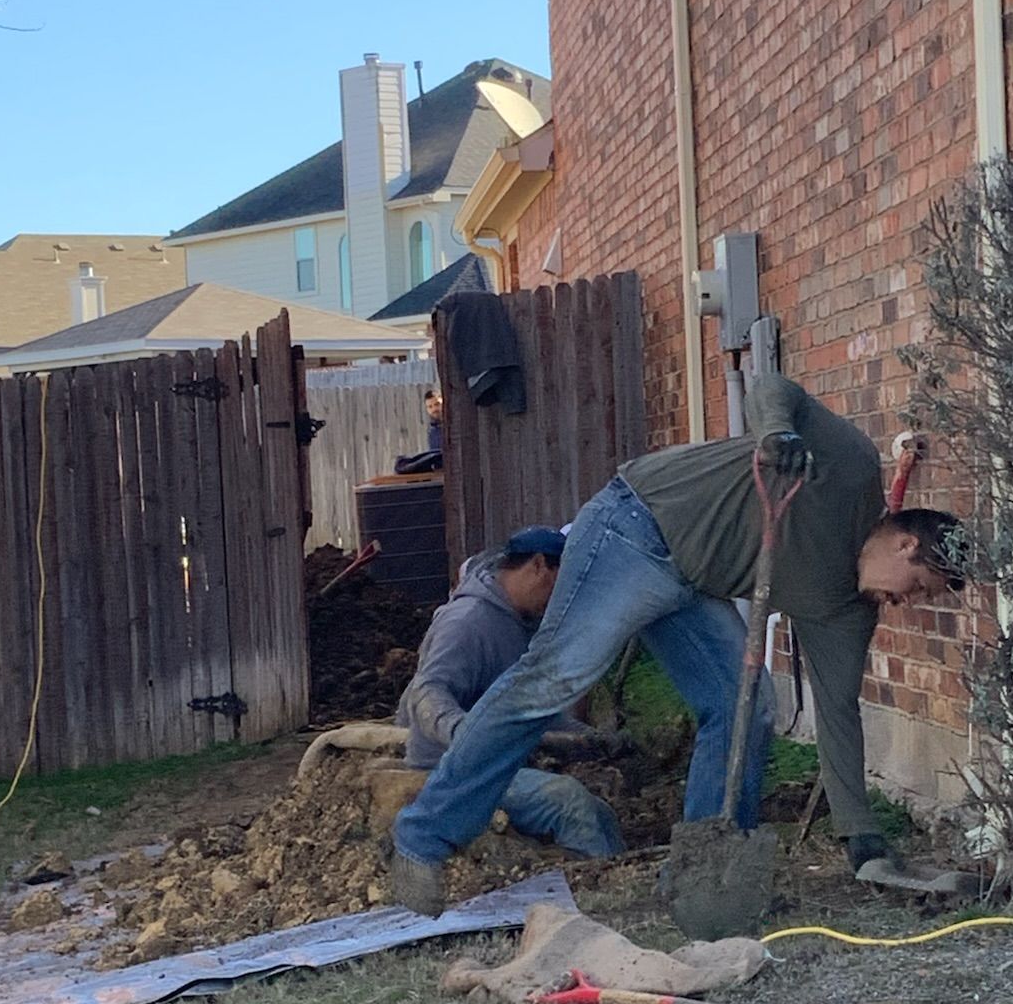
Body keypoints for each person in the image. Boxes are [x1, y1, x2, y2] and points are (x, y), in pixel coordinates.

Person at [389, 366, 966, 917]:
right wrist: (775, 432)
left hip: (692, 583)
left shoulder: (847, 611)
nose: (909, 603)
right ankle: (422, 838)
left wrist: (862, 840)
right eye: (918, 587)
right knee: (555, 678)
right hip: (637, 526)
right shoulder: (850, 467)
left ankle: (703, 875)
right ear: (905, 545)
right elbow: (774, 387)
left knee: (748, 707)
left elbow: (839, 716)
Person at [395, 525, 624, 860]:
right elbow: (428, 690)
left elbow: (528, 709)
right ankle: (591, 892)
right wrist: (467, 736)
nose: (561, 599)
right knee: (568, 801)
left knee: (600, 812)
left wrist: (589, 739)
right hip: (448, 772)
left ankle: (620, 876)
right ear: (538, 566)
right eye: (562, 583)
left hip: (495, 766)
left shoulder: (521, 624)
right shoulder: (467, 622)